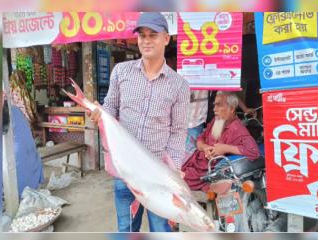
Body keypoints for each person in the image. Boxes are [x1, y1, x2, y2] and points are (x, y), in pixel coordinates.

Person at [88, 12, 190, 232]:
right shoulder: (121, 72)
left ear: (166, 38)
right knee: (126, 228)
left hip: (158, 175)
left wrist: (173, 170)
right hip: (126, 170)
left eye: (153, 35)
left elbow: (179, 131)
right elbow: (110, 108)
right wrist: (99, 113)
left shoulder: (179, 85)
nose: (146, 40)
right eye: (142, 35)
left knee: (161, 228)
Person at [182, 92, 260, 192]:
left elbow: (254, 152)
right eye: (215, 105)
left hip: (207, 170)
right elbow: (200, 139)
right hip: (195, 162)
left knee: (181, 180)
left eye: (219, 105)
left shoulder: (237, 129)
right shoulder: (216, 120)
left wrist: (225, 148)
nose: (214, 109)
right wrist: (204, 147)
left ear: (231, 109)